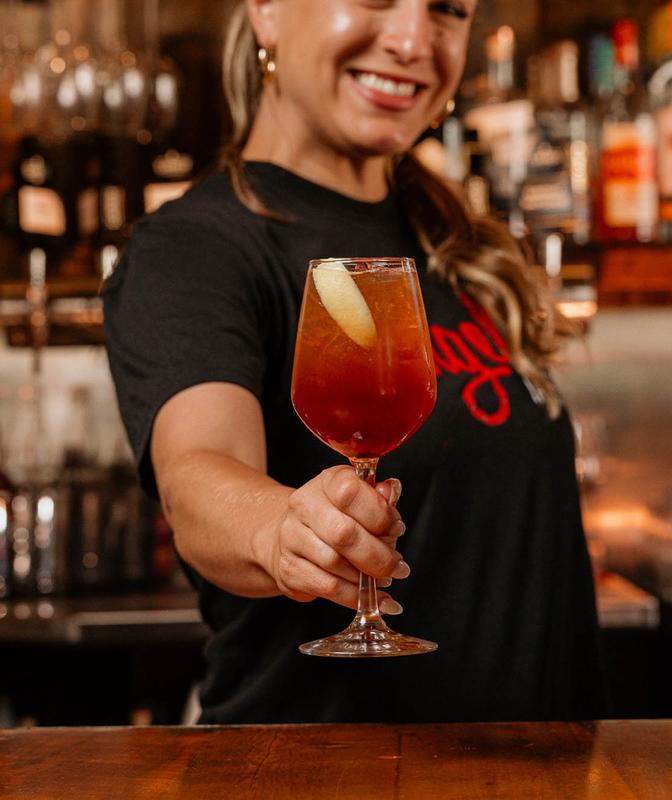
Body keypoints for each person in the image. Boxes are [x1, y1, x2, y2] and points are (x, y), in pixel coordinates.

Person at [103, 0, 606, 724]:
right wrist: (281, 528)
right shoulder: (196, 249)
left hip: (534, 765)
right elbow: (198, 473)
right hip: (325, 765)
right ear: (267, 12)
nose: (413, 39)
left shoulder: (455, 241)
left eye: (448, 10)